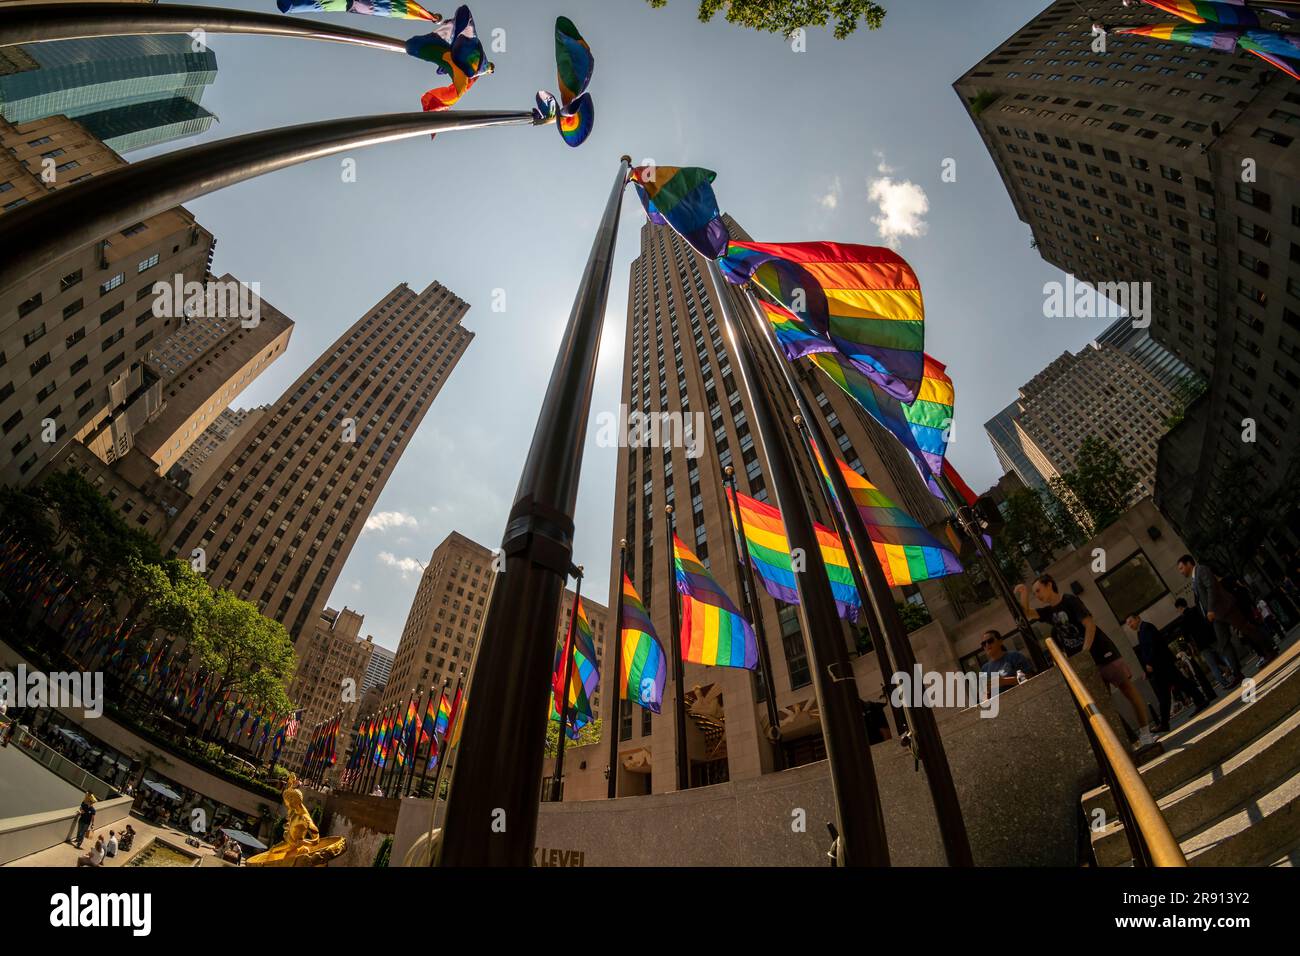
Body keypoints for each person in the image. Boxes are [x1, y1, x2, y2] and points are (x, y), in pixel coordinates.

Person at [1016, 574, 1157, 748]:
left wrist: (1085, 652)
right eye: (1034, 593)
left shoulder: (1070, 600)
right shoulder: (1048, 613)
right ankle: (1128, 743)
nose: (1036, 595)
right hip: (1085, 664)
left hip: (1103, 653)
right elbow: (1026, 614)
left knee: (1128, 690)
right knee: (1102, 704)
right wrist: (1023, 594)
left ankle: (1145, 734)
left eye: (1038, 590)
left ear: (1049, 585)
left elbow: (1089, 624)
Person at [1177, 555, 1276, 673]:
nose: (1181, 572)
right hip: (1217, 616)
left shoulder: (1201, 570)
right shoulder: (1194, 579)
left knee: (1247, 629)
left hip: (1225, 608)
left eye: (1181, 568)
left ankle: (1270, 651)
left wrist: (1210, 609)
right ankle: (1237, 673)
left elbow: (1211, 588)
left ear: (1189, 563)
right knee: (1223, 644)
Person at [1126, 612, 1208, 732]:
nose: (1130, 625)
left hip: (1162, 664)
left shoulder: (1147, 627)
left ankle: (1165, 723)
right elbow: (1147, 649)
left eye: (1131, 622)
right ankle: (1199, 700)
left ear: (1138, 619)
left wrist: (1149, 663)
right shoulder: (1141, 631)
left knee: (1170, 690)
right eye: (1128, 624)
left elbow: (1153, 646)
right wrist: (1147, 669)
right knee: (1176, 686)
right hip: (1160, 665)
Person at [1175, 597, 1232, 689]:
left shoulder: (1183, 620)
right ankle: (1233, 671)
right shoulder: (1195, 610)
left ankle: (1224, 683)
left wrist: (1192, 647)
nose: (1179, 611)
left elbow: (1186, 637)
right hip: (1210, 637)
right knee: (1223, 654)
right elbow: (1206, 620)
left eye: (1178, 609)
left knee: (1212, 665)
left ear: (1180, 607)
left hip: (1201, 644)